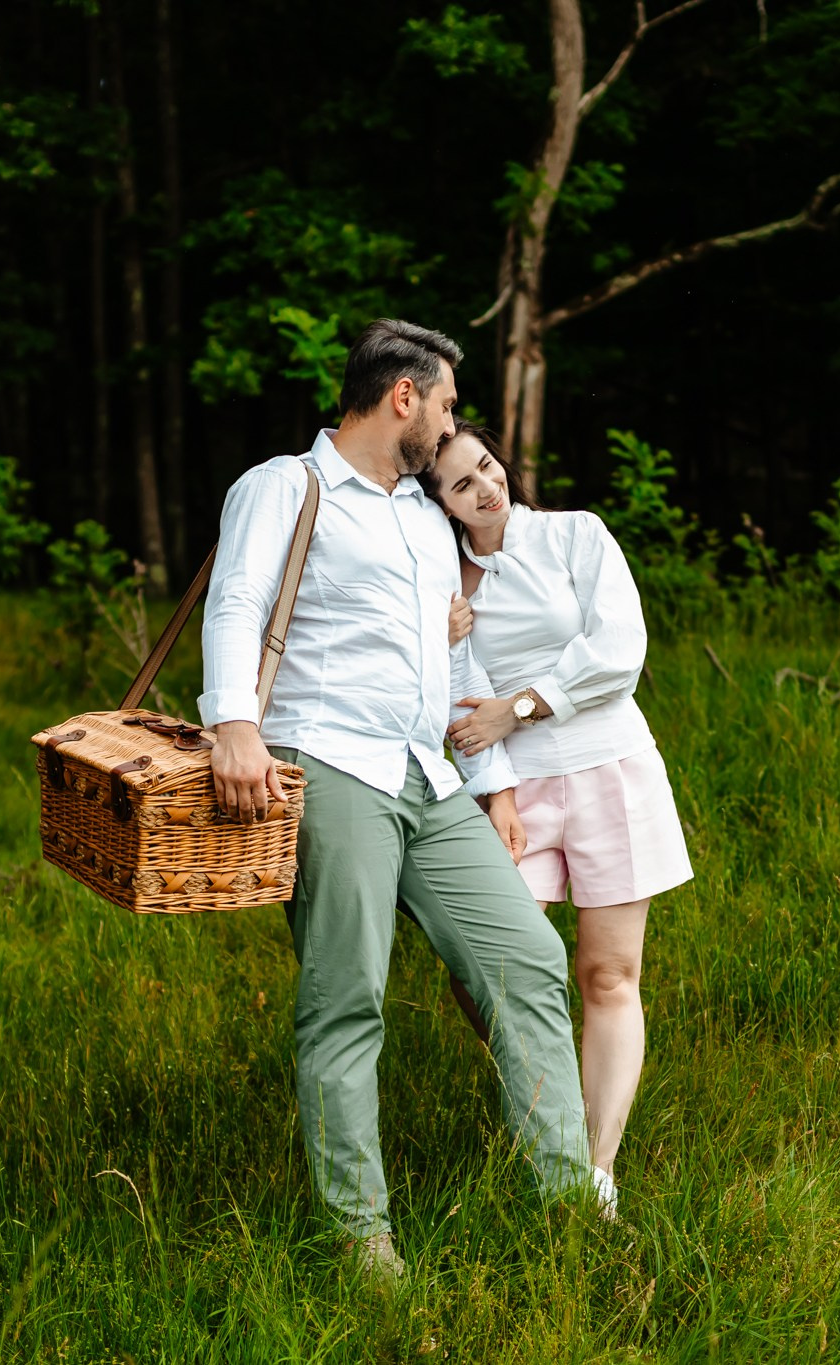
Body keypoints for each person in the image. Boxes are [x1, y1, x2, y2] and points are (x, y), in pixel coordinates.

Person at [201, 321, 588, 1280]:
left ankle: (570, 1198)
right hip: (328, 762)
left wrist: (492, 784)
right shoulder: (286, 484)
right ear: (403, 397)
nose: (454, 422)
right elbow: (236, 602)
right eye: (449, 402)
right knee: (347, 1000)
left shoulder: (422, 515)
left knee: (530, 956)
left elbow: (452, 655)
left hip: (429, 774)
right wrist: (234, 723)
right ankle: (362, 1235)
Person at [425, 419, 693, 1223]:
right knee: (490, 972)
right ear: (441, 503)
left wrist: (521, 705)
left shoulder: (577, 536)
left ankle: (593, 1168)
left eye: (487, 465)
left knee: (608, 975)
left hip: (611, 768)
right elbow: (456, 707)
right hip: (515, 793)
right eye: (462, 484)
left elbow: (619, 651)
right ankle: (548, 1117)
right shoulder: (445, 581)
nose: (487, 486)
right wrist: (448, 654)